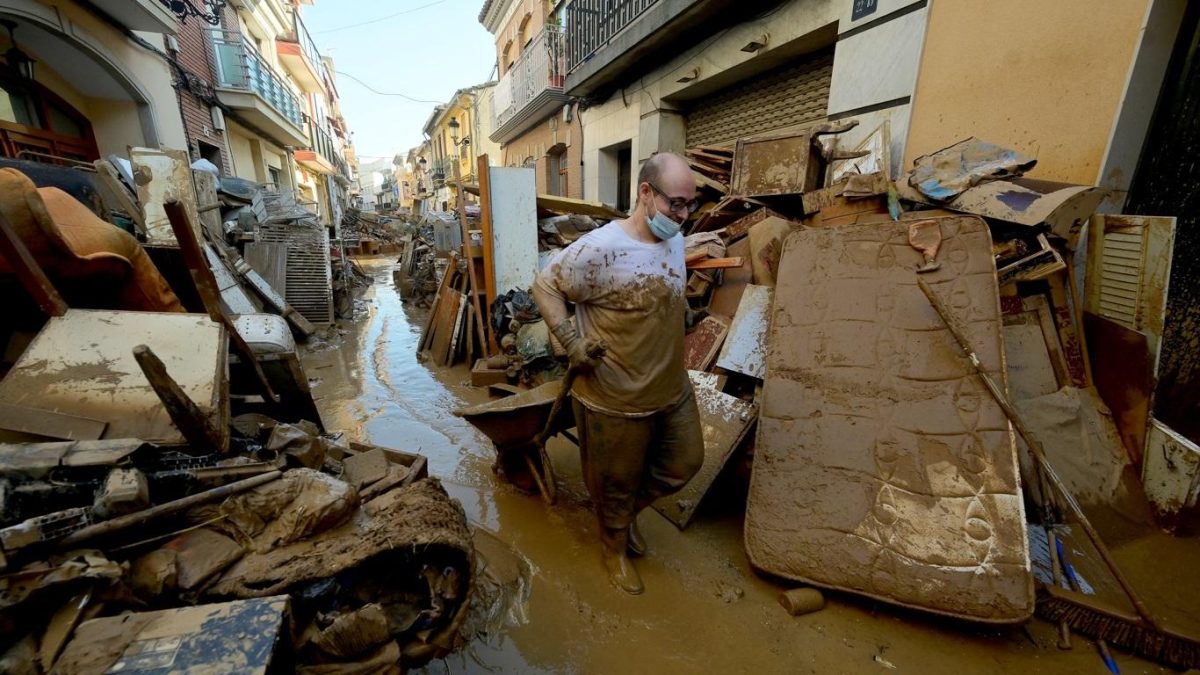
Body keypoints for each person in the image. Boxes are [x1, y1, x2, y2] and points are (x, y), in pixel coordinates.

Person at [532, 152, 703, 595]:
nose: (683, 217)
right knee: (615, 483)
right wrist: (571, 342)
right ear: (646, 193)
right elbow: (545, 285)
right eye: (675, 204)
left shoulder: (675, 239)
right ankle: (613, 548)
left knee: (686, 461)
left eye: (689, 205)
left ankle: (622, 520)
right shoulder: (600, 248)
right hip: (616, 396)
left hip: (671, 387)